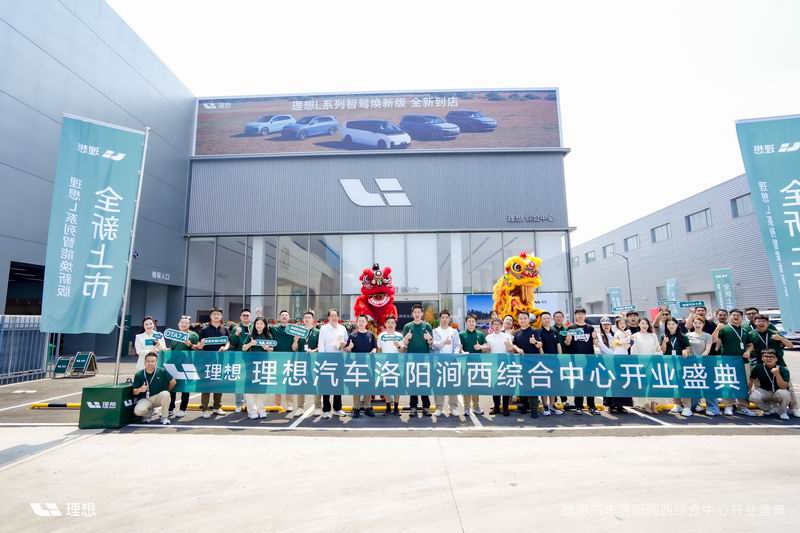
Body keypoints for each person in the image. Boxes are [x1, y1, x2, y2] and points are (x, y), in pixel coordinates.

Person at [745, 314, 800, 418]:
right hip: (760, 365)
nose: (761, 323)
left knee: (788, 388)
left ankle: (794, 408)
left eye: (763, 321)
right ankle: (771, 408)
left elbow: (790, 345)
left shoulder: (774, 333)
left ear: (768, 323)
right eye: (759, 321)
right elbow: (748, 347)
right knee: (761, 387)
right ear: (754, 323)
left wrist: (780, 338)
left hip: (779, 364)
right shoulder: (751, 334)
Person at [712, 309, 757, 416]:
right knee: (727, 383)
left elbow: (750, 344)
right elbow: (713, 340)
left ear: (742, 318)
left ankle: (743, 406)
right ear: (730, 317)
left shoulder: (745, 330)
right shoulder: (724, 328)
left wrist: (748, 351)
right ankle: (728, 406)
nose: (736, 317)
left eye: (738, 315)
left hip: (743, 361)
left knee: (744, 384)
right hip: (727, 361)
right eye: (733, 315)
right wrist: (717, 329)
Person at [564, 308, 600, 415]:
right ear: (575, 315)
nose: (580, 316)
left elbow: (596, 343)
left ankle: (591, 406)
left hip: (589, 360)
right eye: (578, 314)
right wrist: (568, 340)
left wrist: (595, 338)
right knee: (578, 383)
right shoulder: (571, 328)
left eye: (582, 314)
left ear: (585, 315)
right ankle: (578, 406)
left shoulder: (590, 328)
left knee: (590, 383)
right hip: (576, 360)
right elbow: (567, 344)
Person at [197, 308, 230, 418]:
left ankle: (217, 407)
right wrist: (202, 344)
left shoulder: (225, 329)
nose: (216, 316)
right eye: (214, 314)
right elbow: (199, 346)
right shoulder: (204, 330)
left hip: (220, 361)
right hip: (207, 361)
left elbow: (228, 342)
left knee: (218, 385)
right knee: (207, 385)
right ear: (210, 316)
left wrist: (225, 348)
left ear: (221, 316)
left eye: (218, 314)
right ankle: (204, 409)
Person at [403, 304, 434, 417]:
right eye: (415, 312)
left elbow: (431, 343)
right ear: (412, 314)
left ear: (422, 313)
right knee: (413, 383)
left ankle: (426, 407)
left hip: (424, 359)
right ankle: (413, 407)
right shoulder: (408, 326)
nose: (417, 314)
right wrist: (406, 338)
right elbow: (405, 343)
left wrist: (429, 339)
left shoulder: (427, 326)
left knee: (424, 383)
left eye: (419, 312)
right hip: (411, 359)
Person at [685, 316, 719, 416]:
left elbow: (707, 350)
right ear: (693, 324)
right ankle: (695, 405)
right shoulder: (687, 335)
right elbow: (686, 348)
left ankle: (712, 408)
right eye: (695, 323)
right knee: (694, 385)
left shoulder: (707, 336)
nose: (697, 325)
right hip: (691, 364)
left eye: (699, 323)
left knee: (708, 385)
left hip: (704, 363)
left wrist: (700, 360)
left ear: (703, 325)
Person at [317, 308, 348, 419]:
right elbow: (321, 344)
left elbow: (346, 342)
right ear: (328, 317)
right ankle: (326, 410)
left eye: (336, 316)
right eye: (332, 316)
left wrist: (344, 345)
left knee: (338, 384)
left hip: (339, 359)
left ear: (338, 317)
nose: (334, 318)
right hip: (326, 359)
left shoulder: (342, 328)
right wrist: (321, 359)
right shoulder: (324, 328)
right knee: (326, 384)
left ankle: (337, 408)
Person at [345, 314, 377, 418]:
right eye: (359, 321)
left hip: (368, 365)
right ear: (357, 322)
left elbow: (375, 347)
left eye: (363, 321)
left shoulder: (371, 335)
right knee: (356, 387)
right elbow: (347, 349)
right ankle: (356, 408)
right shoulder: (352, 335)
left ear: (366, 323)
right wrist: (349, 348)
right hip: (356, 365)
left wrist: (374, 350)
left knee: (368, 386)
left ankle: (367, 408)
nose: (361, 323)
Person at [431, 310, 462, 417]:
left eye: (446, 317)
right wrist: (443, 343)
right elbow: (433, 345)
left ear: (449, 319)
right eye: (442, 317)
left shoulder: (454, 331)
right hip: (439, 361)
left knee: (452, 385)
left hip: (452, 361)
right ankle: (439, 408)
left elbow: (458, 345)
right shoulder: (435, 331)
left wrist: (455, 353)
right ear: (439, 319)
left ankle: (453, 407)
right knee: (439, 384)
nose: (444, 319)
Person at [167, 315, 199, 418]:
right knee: (172, 386)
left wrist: (191, 345)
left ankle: (182, 409)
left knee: (185, 388)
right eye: (182, 322)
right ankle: (170, 408)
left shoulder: (193, 335)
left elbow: (198, 349)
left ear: (189, 325)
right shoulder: (175, 335)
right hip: (174, 364)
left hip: (187, 364)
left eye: (186, 323)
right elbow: (172, 350)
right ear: (178, 324)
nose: (184, 324)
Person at [661, 317, 693, 417]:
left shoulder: (683, 336)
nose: (671, 326)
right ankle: (677, 404)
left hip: (681, 364)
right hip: (669, 364)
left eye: (673, 324)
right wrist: (664, 342)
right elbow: (662, 350)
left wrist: (685, 351)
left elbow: (688, 348)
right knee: (674, 384)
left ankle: (687, 407)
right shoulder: (663, 336)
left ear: (677, 325)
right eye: (668, 324)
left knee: (683, 385)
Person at [242, 316, 273, 419]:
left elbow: (272, 350)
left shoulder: (268, 336)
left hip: (263, 365)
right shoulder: (250, 335)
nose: (259, 325)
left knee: (262, 388)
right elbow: (243, 348)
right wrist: (250, 343)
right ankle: (251, 411)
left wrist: (267, 348)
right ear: (255, 325)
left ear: (265, 325)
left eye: (261, 323)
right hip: (251, 365)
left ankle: (261, 409)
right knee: (250, 388)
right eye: (257, 323)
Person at [533, 311, 564, 416]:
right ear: (541, 320)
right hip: (543, 363)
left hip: (555, 361)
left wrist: (560, 357)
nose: (546, 320)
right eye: (544, 318)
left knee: (553, 384)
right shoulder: (538, 331)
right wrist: (543, 359)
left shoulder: (555, 331)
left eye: (548, 318)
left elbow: (558, 345)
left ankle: (552, 405)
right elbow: (540, 346)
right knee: (544, 384)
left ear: (550, 319)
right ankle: (545, 406)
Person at [629, 317, 662, 414]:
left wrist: (657, 357)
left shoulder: (653, 335)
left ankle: (653, 404)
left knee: (653, 384)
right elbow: (633, 351)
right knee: (643, 384)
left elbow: (657, 349)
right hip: (641, 364)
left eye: (646, 323)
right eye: (642, 323)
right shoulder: (635, 336)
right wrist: (636, 364)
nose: (644, 325)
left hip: (652, 363)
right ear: (639, 324)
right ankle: (645, 404)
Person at [597, 316, 629, 414]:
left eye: (608, 324)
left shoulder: (615, 334)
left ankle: (620, 405)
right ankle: (611, 405)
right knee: (610, 384)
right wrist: (615, 353)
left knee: (619, 383)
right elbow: (603, 348)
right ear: (601, 326)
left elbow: (622, 346)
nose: (606, 326)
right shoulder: (599, 336)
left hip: (618, 362)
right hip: (607, 362)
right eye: (604, 324)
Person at [132, 353, 176, 425]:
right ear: (144, 362)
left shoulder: (161, 371)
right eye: (148, 361)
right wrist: (139, 389)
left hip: (158, 398)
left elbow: (173, 382)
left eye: (152, 361)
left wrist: (167, 391)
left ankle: (164, 417)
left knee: (165, 394)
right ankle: (148, 414)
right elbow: (134, 392)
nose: (150, 363)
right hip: (145, 399)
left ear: (156, 362)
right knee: (137, 411)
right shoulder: (139, 374)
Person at [748, 349, 791, 420]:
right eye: (766, 356)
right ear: (762, 358)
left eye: (771, 357)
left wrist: (777, 374)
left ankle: (782, 412)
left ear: (776, 359)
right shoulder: (757, 368)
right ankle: (768, 409)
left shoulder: (783, 370)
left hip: (778, 391)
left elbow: (783, 386)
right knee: (752, 396)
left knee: (785, 394)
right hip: (764, 390)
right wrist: (749, 391)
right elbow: (751, 380)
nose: (768, 358)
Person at [459, 314, 487, 416]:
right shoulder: (462, 335)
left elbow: (486, 346)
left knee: (475, 386)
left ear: (476, 323)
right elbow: (459, 348)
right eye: (469, 321)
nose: (471, 323)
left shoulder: (480, 334)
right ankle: (466, 407)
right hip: (465, 364)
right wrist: (463, 352)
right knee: (466, 386)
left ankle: (476, 406)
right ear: (466, 323)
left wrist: (481, 347)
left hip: (477, 364)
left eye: (473, 321)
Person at [270, 310, 297, 413]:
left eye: (286, 315)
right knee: (277, 381)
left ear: (289, 317)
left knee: (288, 382)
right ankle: (277, 403)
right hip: (277, 358)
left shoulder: (293, 329)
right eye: (282, 315)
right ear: (279, 317)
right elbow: (261, 326)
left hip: (290, 358)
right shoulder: (274, 329)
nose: (284, 316)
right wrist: (259, 315)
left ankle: (290, 404)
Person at [293, 310, 320, 417]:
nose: (307, 319)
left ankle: (318, 407)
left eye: (309, 317)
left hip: (314, 361)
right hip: (301, 362)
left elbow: (320, 346)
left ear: (313, 320)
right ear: (303, 320)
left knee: (316, 384)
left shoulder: (318, 332)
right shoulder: (299, 332)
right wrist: (295, 340)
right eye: (305, 317)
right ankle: (300, 407)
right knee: (301, 384)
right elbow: (294, 348)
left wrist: (313, 351)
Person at [486, 318, 514, 417]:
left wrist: (509, 346)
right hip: (494, 364)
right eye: (495, 324)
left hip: (505, 364)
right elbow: (487, 351)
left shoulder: (507, 336)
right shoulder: (488, 337)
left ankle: (505, 408)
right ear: (492, 326)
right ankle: (496, 407)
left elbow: (511, 350)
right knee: (495, 387)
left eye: (498, 324)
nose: (497, 326)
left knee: (505, 387)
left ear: (502, 326)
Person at [377, 315, 404, 416]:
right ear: (385, 324)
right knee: (386, 386)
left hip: (397, 364)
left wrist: (399, 346)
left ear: (395, 324)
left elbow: (403, 351)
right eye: (388, 322)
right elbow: (379, 351)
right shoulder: (381, 336)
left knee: (397, 386)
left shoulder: (399, 336)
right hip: (385, 364)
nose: (390, 324)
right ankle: (388, 407)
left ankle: (396, 408)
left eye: (392, 323)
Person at [227, 308, 253, 413]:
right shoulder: (236, 328)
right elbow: (232, 343)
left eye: (247, 315)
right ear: (240, 317)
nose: (246, 317)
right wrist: (237, 334)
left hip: (253, 358)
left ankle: (249, 403)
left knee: (251, 381)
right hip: (239, 358)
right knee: (239, 381)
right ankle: (238, 403)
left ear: (250, 317)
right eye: (244, 315)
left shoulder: (254, 327)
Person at [551, 311, 570, 409]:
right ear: (553, 318)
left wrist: (568, 340)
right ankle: (553, 400)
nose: (558, 318)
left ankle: (564, 400)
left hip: (564, 358)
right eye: (556, 317)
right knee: (554, 379)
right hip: (553, 358)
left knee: (563, 379)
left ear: (563, 318)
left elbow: (569, 344)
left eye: (560, 317)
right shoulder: (551, 329)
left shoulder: (567, 330)